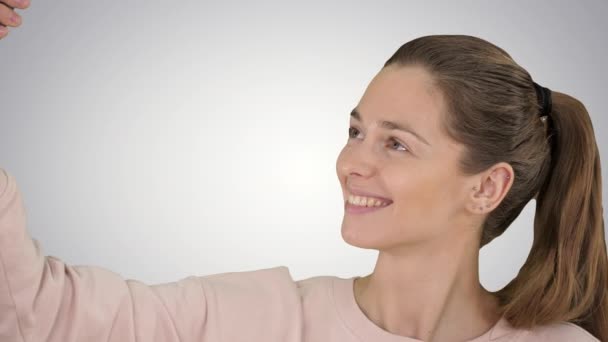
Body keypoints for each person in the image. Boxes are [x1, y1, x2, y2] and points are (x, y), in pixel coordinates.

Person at [1, 3, 606, 342]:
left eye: (395, 144)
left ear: (486, 187)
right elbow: (36, 312)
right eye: (355, 131)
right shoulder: (258, 320)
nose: (352, 164)